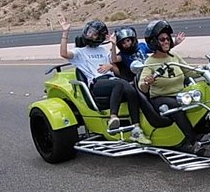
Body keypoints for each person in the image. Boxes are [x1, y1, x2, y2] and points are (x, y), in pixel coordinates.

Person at [59, 16, 151, 145]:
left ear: (100, 37)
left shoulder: (103, 50)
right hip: (97, 83)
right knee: (120, 84)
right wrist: (65, 32)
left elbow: (117, 70)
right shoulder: (79, 52)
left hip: (112, 80)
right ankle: (113, 117)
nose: (90, 35)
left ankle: (136, 130)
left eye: (94, 34)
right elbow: (63, 54)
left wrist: (110, 64)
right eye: (89, 32)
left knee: (131, 90)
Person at [137, 19, 201, 152]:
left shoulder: (174, 56)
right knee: (175, 106)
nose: (166, 41)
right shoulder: (150, 61)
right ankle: (194, 142)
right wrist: (147, 82)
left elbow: (190, 72)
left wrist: (208, 68)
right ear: (154, 41)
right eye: (162, 39)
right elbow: (141, 86)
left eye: (167, 38)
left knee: (209, 96)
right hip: (160, 99)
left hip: (180, 94)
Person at [110, 26, 186, 82]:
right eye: (123, 43)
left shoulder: (141, 46)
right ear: (120, 45)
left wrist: (175, 43)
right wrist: (113, 44)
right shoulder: (123, 55)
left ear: (133, 39)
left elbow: (158, 49)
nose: (126, 44)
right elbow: (114, 59)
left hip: (152, 71)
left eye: (128, 40)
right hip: (138, 78)